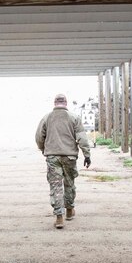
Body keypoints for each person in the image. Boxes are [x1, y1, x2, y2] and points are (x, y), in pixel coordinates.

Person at [35, 93, 91, 229]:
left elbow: (39, 137)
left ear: (54, 103)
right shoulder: (74, 118)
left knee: (55, 186)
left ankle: (59, 217)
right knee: (69, 183)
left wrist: (43, 149)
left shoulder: (46, 117)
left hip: (52, 156)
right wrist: (87, 155)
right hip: (69, 157)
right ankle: (70, 210)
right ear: (66, 103)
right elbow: (82, 139)